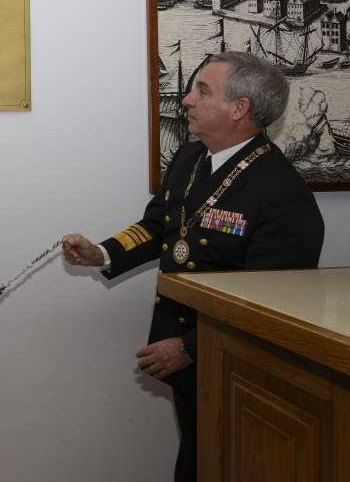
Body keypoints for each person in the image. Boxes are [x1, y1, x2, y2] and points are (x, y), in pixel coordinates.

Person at [62, 51, 324, 482]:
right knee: (198, 459)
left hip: (233, 364)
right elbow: (161, 225)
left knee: (226, 463)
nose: (186, 100)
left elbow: (271, 305)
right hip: (186, 354)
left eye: (202, 91)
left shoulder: (282, 193)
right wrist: (103, 253)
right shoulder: (189, 157)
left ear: (239, 109)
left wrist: (189, 346)